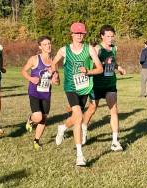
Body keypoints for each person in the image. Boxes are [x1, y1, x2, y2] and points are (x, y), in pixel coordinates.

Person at [51, 22, 103, 166]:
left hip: (85, 88)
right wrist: (55, 73)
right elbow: (53, 63)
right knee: (79, 117)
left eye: (82, 33)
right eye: (77, 33)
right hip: (71, 88)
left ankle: (62, 128)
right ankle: (80, 155)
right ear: (72, 34)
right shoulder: (64, 50)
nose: (79, 36)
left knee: (75, 117)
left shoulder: (90, 49)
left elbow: (100, 69)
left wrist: (88, 71)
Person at [81, 25, 126, 152]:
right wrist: (90, 70)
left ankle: (115, 141)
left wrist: (119, 67)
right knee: (92, 109)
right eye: (108, 36)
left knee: (114, 110)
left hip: (110, 84)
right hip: (96, 85)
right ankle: (84, 129)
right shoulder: (97, 49)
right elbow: (88, 61)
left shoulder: (114, 48)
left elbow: (112, 61)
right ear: (102, 36)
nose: (110, 39)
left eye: (112, 36)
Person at [21, 36, 59, 150]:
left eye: (49, 43)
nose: (48, 46)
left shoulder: (54, 62)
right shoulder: (34, 59)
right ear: (40, 47)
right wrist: (31, 79)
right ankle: (30, 119)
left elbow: (57, 82)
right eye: (45, 44)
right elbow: (23, 71)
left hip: (46, 93)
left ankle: (36, 141)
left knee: (43, 118)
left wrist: (55, 79)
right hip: (34, 92)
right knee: (38, 116)